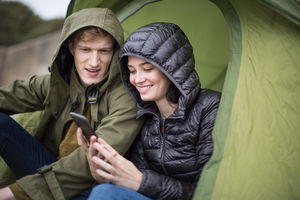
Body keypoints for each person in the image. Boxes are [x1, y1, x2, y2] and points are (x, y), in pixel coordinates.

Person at [0, 8, 143, 200]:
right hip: (46, 170)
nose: (94, 62)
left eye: (104, 51)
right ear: (71, 48)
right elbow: (9, 96)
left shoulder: (127, 96)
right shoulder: (59, 82)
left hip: (89, 188)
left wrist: (13, 193)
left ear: (115, 52)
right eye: (85, 49)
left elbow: (90, 163)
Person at [77, 22, 221, 200]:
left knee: (103, 193)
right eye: (131, 71)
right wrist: (98, 169)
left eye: (147, 69)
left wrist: (141, 181)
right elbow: (132, 185)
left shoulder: (210, 107)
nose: (137, 79)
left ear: (172, 69)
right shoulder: (146, 117)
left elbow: (211, 190)